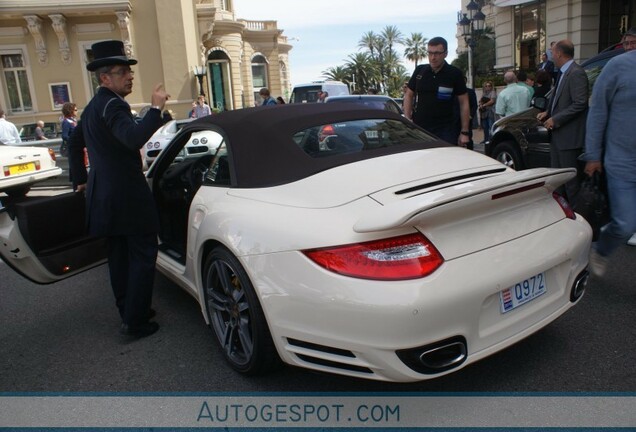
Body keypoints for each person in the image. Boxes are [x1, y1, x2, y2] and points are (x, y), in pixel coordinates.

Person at [68, 40, 169, 339]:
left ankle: (129, 311)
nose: (130, 76)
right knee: (141, 255)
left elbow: (74, 145)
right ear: (105, 78)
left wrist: (81, 179)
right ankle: (135, 322)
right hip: (127, 197)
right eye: (122, 71)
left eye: (129, 71)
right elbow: (133, 138)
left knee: (120, 258)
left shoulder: (93, 107)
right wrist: (155, 108)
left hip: (104, 196)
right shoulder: (113, 104)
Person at [581, 44, 636, 276]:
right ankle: (601, 249)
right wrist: (593, 154)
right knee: (624, 224)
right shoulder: (619, 66)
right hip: (622, 162)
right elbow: (598, 111)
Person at [536, 39, 589, 203]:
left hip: (569, 139)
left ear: (559, 53)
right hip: (558, 137)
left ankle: (576, 217)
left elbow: (580, 103)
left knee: (570, 184)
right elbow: (559, 98)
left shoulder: (576, 72)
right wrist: (547, 112)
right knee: (557, 181)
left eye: (552, 52)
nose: (551, 55)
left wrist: (556, 119)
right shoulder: (562, 73)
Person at [403, 36, 470, 147]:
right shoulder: (420, 71)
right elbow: (409, 94)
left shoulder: (454, 74)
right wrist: (407, 119)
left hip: (446, 131)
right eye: (430, 53)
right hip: (421, 129)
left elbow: (464, 103)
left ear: (445, 54)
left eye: (437, 53)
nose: (433, 57)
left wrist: (464, 132)